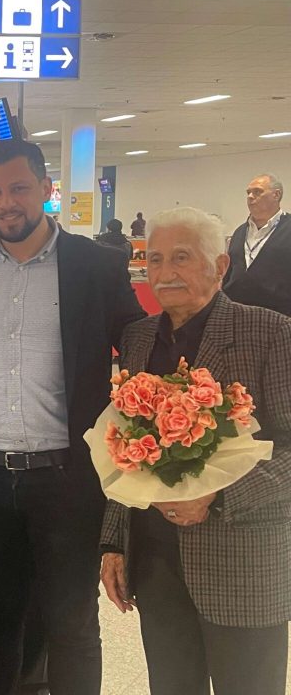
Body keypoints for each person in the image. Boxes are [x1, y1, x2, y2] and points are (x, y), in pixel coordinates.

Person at [0, 139, 145, 695]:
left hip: (68, 480)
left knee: (71, 625)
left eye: (19, 188)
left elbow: (141, 347)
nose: (7, 203)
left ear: (47, 191)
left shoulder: (94, 265)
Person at [100, 206, 291, 695]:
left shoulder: (270, 333)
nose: (165, 272)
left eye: (181, 257)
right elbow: (124, 446)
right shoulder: (139, 338)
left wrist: (218, 495)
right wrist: (114, 543)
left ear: (220, 265)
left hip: (242, 563)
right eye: (155, 259)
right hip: (156, 564)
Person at [223, 173, 291, 316]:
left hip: (279, 316)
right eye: (248, 192)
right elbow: (229, 273)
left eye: (257, 192)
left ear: (276, 195)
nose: (250, 196)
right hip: (237, 314)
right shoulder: (239, 232)